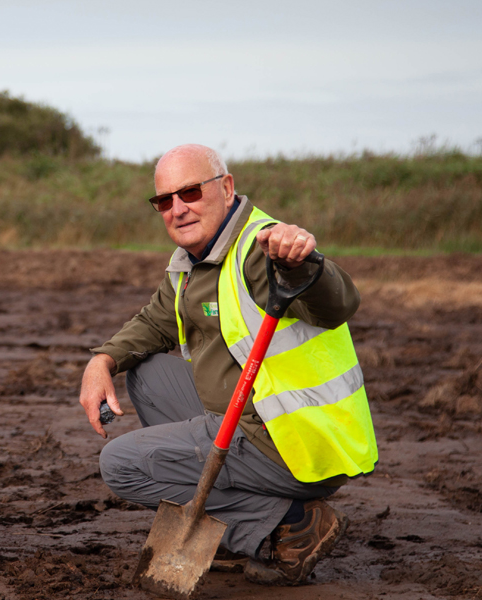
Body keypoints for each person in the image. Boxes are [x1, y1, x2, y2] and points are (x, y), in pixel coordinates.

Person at [78, 144, 377, 586]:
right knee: (147, 373)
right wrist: (101, 361)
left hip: (298, 442)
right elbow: (156, 320)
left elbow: (337, 305)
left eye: (191, 193)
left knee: (121, 464)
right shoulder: (192, 262)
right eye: (164, 200)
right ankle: (254, 519)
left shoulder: (262, 248)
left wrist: (304, 263)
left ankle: (289, 525)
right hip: (255, 420)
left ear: (226, 187)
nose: (177, 209)